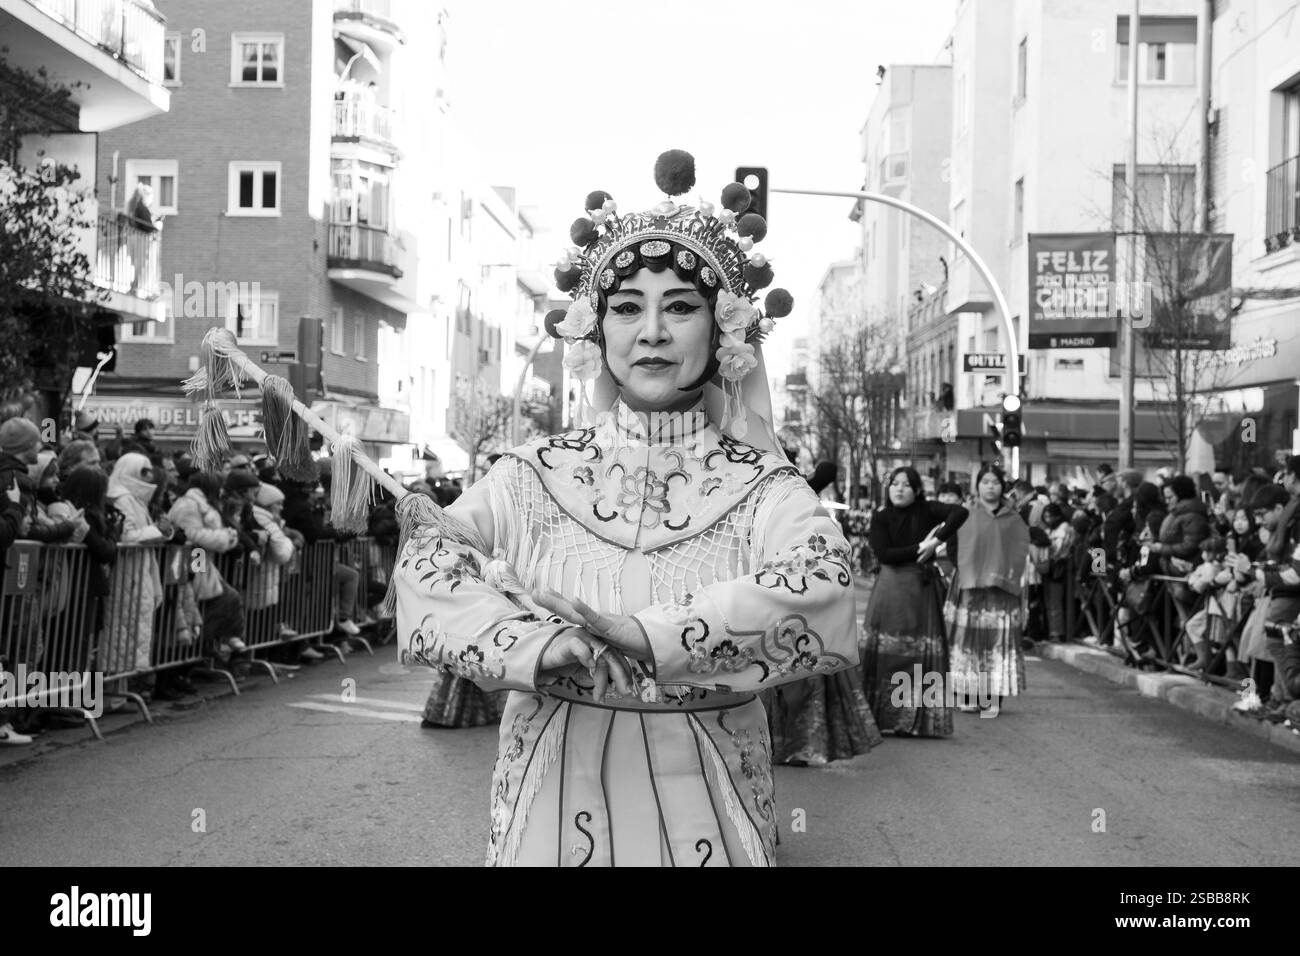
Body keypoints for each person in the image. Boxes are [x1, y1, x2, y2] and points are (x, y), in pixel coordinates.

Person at [392, 152, 857, 867]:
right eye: (628, 308)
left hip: (709, 788)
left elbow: (824, 576)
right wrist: (537, 645)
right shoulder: (530, 476)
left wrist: (651, 635)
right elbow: (429, 557)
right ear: (597, 330)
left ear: (722, 333)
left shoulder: (764, 486)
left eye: (680, 307)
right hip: (549, 792)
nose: (652, 333)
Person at [860, 466, 968, 737]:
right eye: (894, 484)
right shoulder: (881, 517)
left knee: (918, 655)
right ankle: (883, 717)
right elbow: (885, 554)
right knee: (886, 654)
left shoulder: (928, 510)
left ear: (917, 490)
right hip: (890, 590)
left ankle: (917, 719)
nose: (899, 489)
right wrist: (922, 547)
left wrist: (938, 541)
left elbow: (960, 512)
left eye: (906, 484)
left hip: (920, 592)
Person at [946, 463, 1030, 718]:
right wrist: (963, 568)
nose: (990, 486)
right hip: (970, 587)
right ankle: (968, 694)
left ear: (1002, 486)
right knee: (969, 642)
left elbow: (1020, 551)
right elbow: (952, 542)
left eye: (995, 482)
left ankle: (994, 695)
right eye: (985, 482)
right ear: (977, 485)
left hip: (1002, 591)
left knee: (999, 643)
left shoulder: (1014, 518)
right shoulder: (965, 513)